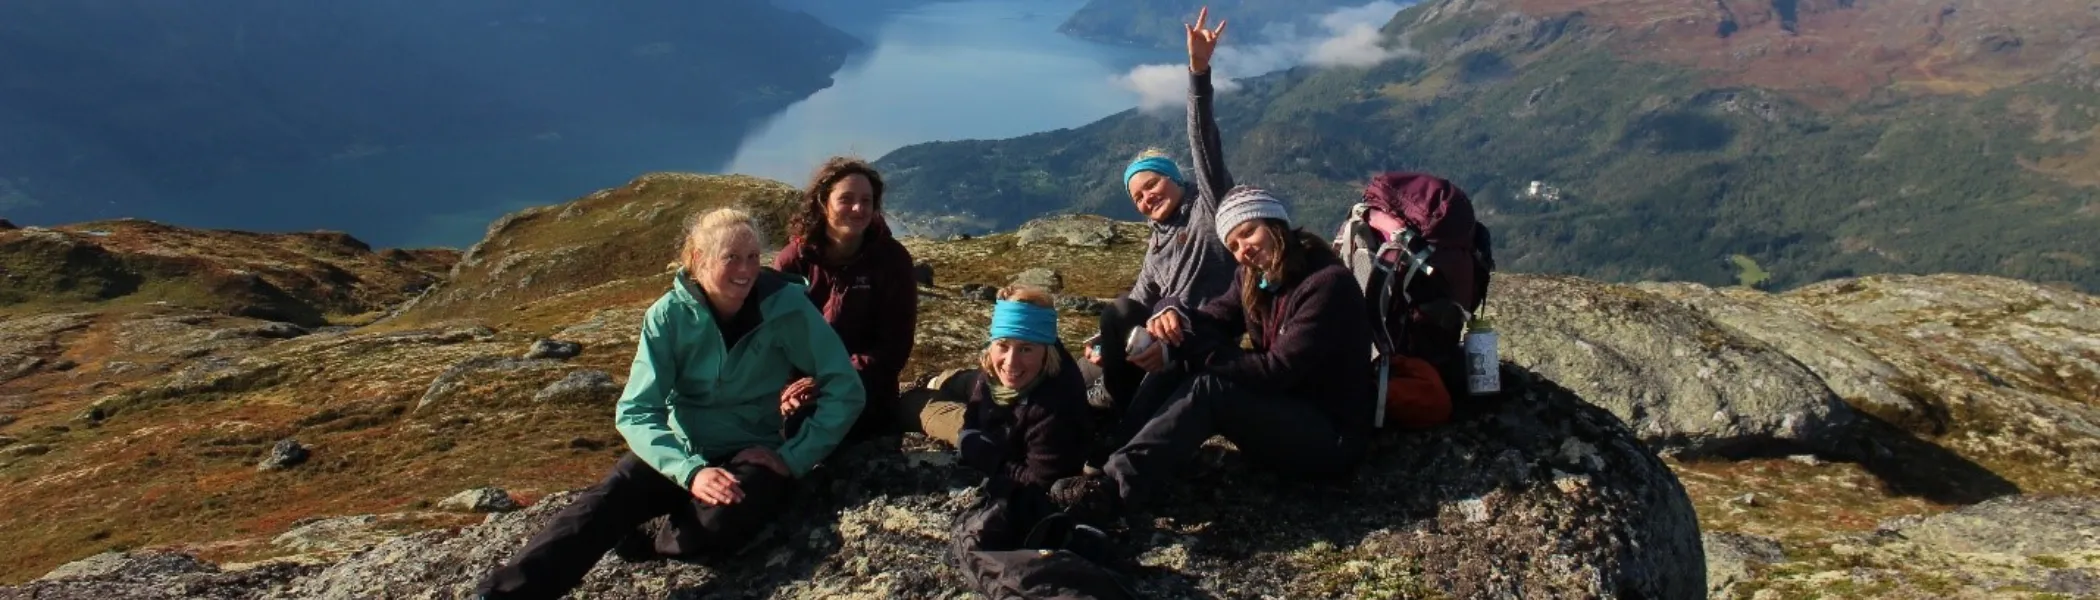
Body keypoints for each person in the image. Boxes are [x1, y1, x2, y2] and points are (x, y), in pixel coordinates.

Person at [475, 208, 866, 600]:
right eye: (730, 257)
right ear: (698, 259)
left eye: (751, 257)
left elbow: (844, 387)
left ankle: (654, 535)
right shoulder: (668, 316)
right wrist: (690, 471)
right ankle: (501, 594)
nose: (746, 270)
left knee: (725, 516)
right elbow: (636, 411)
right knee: (600, 505)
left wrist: (792, 457)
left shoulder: (786, 308)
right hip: (679, 449)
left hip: (746, 452)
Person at [1048, 187, 1375, 522]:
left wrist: (1189, 343)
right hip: (1286, 411)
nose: (1243, 249)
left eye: (1249, 232)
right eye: (1233, 245)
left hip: (1329, 437)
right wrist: (1169, 314)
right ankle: (1115, 452)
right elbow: (1212, 317)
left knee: (1210, 387)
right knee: (1182, 358)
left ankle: (1112, 492)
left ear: (1275, 223)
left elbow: (1278, 371)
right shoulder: (1257, 278)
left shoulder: (1325, 284)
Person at [1087, 6, 1240, 423]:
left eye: (1151, 184)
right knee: (1085, 356)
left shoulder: (1210, 208)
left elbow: (1205, 143)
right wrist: (1102, 340)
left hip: (1202, 338)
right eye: (1137, 196)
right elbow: (1140, 299)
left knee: (1116, 332)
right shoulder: (1157, 243)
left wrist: (1198, 71)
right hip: (1158, 338)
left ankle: (1115, 406)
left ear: (1175, 179)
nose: (1146, 198)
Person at [774, 156, 920, 443]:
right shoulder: (794, 261)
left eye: (867, 200)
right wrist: (787, 390)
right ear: (823, 202)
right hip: (799, 393)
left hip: (864, 392)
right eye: (847, 199)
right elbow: (774, 339)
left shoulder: (892, 261)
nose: (858, 208)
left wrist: (827, 381)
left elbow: (892, 349)